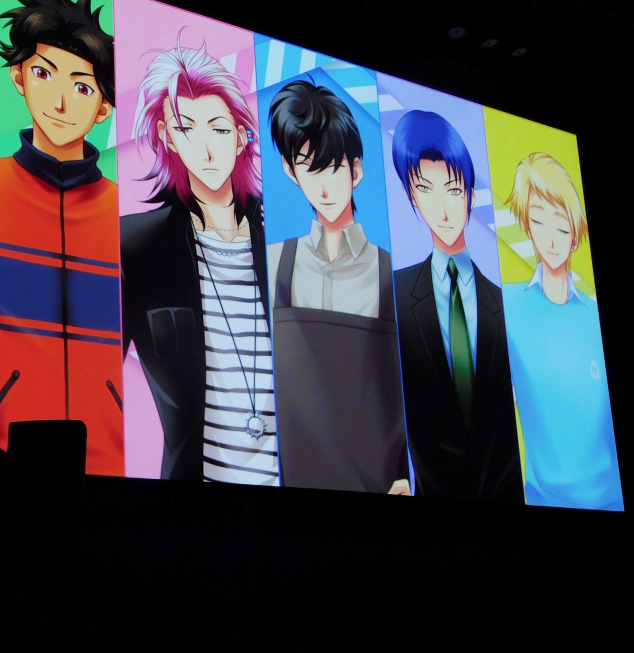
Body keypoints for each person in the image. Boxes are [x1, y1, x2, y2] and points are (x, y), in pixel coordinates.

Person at [0, 0, 124, 475]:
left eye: (82, 86)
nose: (61, 102)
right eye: (44, 73)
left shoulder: (129, 217)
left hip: (121, 483)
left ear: (104, 107)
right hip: (2, 471)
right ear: (19, 76)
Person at [120, 40, 279, 485]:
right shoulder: (138, 246)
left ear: (242, 137)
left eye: (219, 129)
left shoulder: (282, 240)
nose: (206, 149)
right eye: (186, 128)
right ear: (167, 137)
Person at [265, 81, 408, 494]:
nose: (324, 187)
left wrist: (405, 473)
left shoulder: (392, 274)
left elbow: (404, 391)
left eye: (333, 167)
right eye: (310, 168)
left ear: (355, 170)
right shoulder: (273, 263)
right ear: (290, 171)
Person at [391, 110, 524, 502]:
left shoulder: (505, 304)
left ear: (470, 194)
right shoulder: (395, 294)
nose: (444, 210)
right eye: (426, 189)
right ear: (410, 195)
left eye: (453, 189)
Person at [501, 153, 624, 510]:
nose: (551, 239)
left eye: (561, 224)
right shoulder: (507, 306)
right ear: (526, 226)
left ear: (575, 230)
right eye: (538, 221)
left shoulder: (593, 317)